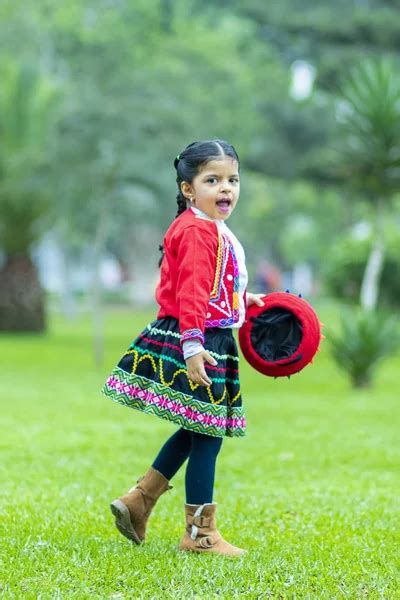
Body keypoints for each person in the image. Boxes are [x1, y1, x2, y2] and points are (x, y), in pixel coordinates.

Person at [102, 139, 265, 557]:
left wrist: (238, 300)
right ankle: (199, 536)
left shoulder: (206, 226)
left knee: (197, 427)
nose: (225, 188)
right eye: (212, 180)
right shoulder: (197, 230)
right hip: (200, 339)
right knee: (208, 433)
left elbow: (204, 284)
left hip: (205, 332)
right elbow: (191, 293)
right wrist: (193, 347)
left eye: (232, 179)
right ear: (189, 188)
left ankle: (141, 499)